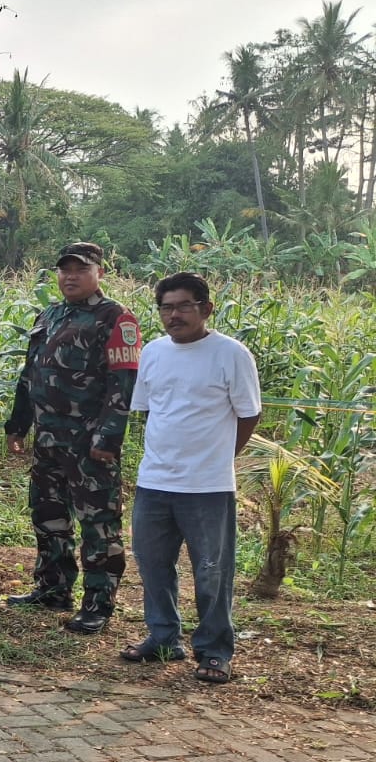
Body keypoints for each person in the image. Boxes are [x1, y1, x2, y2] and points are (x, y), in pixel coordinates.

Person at [124, 272, 261, 685]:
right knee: (152, 565)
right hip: (154, 482)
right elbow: (150, 409)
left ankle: (215, 651)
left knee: (212, 571)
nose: (174, 315)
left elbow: (249, 414)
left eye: (184, 306)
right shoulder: (153, 352)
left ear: (206, 308)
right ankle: (163, 638)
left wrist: (219, 458)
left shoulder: (231, 354)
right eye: (166, 307)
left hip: (207, 487)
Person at [4, 242, 141, 635]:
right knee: (48, 516)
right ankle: (53, 588)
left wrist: (108, 438)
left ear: (99, 272)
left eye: (80, 269)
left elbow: (123, 384)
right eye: (65, 270)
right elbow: (30, 375)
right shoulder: (49, 315)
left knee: (98, 524)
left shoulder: (115, 317)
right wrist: (18, 425)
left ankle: (98, 604)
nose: (71, 276)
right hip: (48, 439)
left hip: (89, 443)